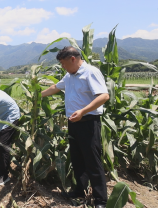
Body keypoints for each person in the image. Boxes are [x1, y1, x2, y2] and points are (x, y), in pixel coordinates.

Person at [41, 46, 109, 208]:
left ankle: (101, 200)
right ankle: (79, 191)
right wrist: (37, 94)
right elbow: (56, 87)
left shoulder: (90, 72)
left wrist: (83, 111)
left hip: (88, 122)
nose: (62, 67)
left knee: (92, 161)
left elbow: (104, 96)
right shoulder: (70, 75)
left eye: (63, 63)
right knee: (78, 159)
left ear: (73, 59)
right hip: (74, 123)